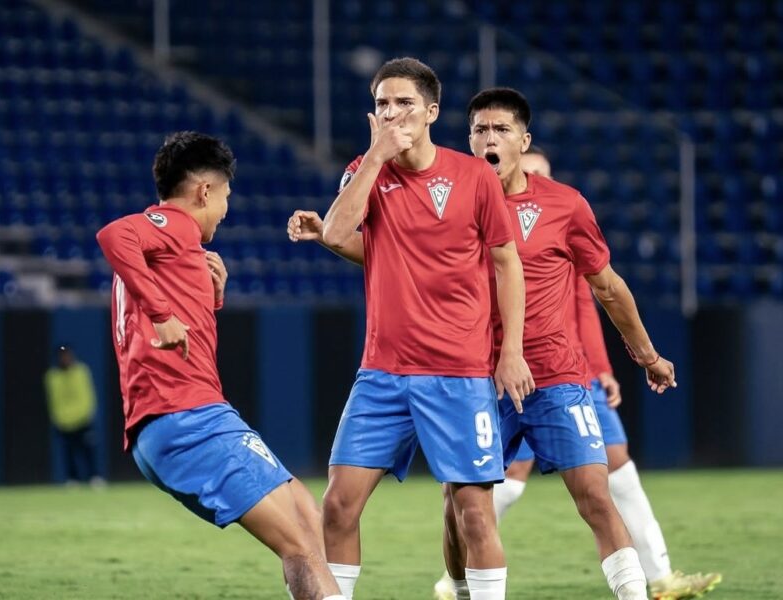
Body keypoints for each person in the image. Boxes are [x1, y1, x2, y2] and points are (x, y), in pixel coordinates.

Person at [434, 147, 722, 600]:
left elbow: (591, 301)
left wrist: (608, 366)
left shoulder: (561, 213)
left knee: (610, 478)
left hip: (564, 376)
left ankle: (658, 578)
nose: (532, 182)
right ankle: (455, 584)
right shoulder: (464, 209)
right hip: (484, 379)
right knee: (467, 500)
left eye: (540, 174)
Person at [311, 57, 534, 600]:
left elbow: (507, 263)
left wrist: (512, 353)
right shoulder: (367, 170)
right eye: (383, 103)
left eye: (404, 103)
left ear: (431, 111)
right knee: (338, 506)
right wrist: (374, 159)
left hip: (458, 372)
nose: (392, 113)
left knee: (473, 513)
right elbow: (336, 233)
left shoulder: (475, 176)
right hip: (382, 372)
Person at [96, 131, 344, 600]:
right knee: (299, 544)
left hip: (193, 415)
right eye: (226, 195)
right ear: (204, 191)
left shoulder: (175, 247)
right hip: (186, 418)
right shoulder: (169, 224)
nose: (227, 209)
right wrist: (163, 314)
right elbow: (113, 235)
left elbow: (180, 335)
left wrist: (212, 299)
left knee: (307, 515)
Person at [44, 345, 103, 486]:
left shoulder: (81, 371)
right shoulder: (52, 376)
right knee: (69, 453)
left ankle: (94, 477)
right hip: (64, 422)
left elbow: (87, 394)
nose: (65, 358)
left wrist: (87, 414)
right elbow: (54, 400)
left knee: (89, 451)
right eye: (62, 355)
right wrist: (59, 419)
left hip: (83, 420)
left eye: (67, 355)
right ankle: (72, 479)